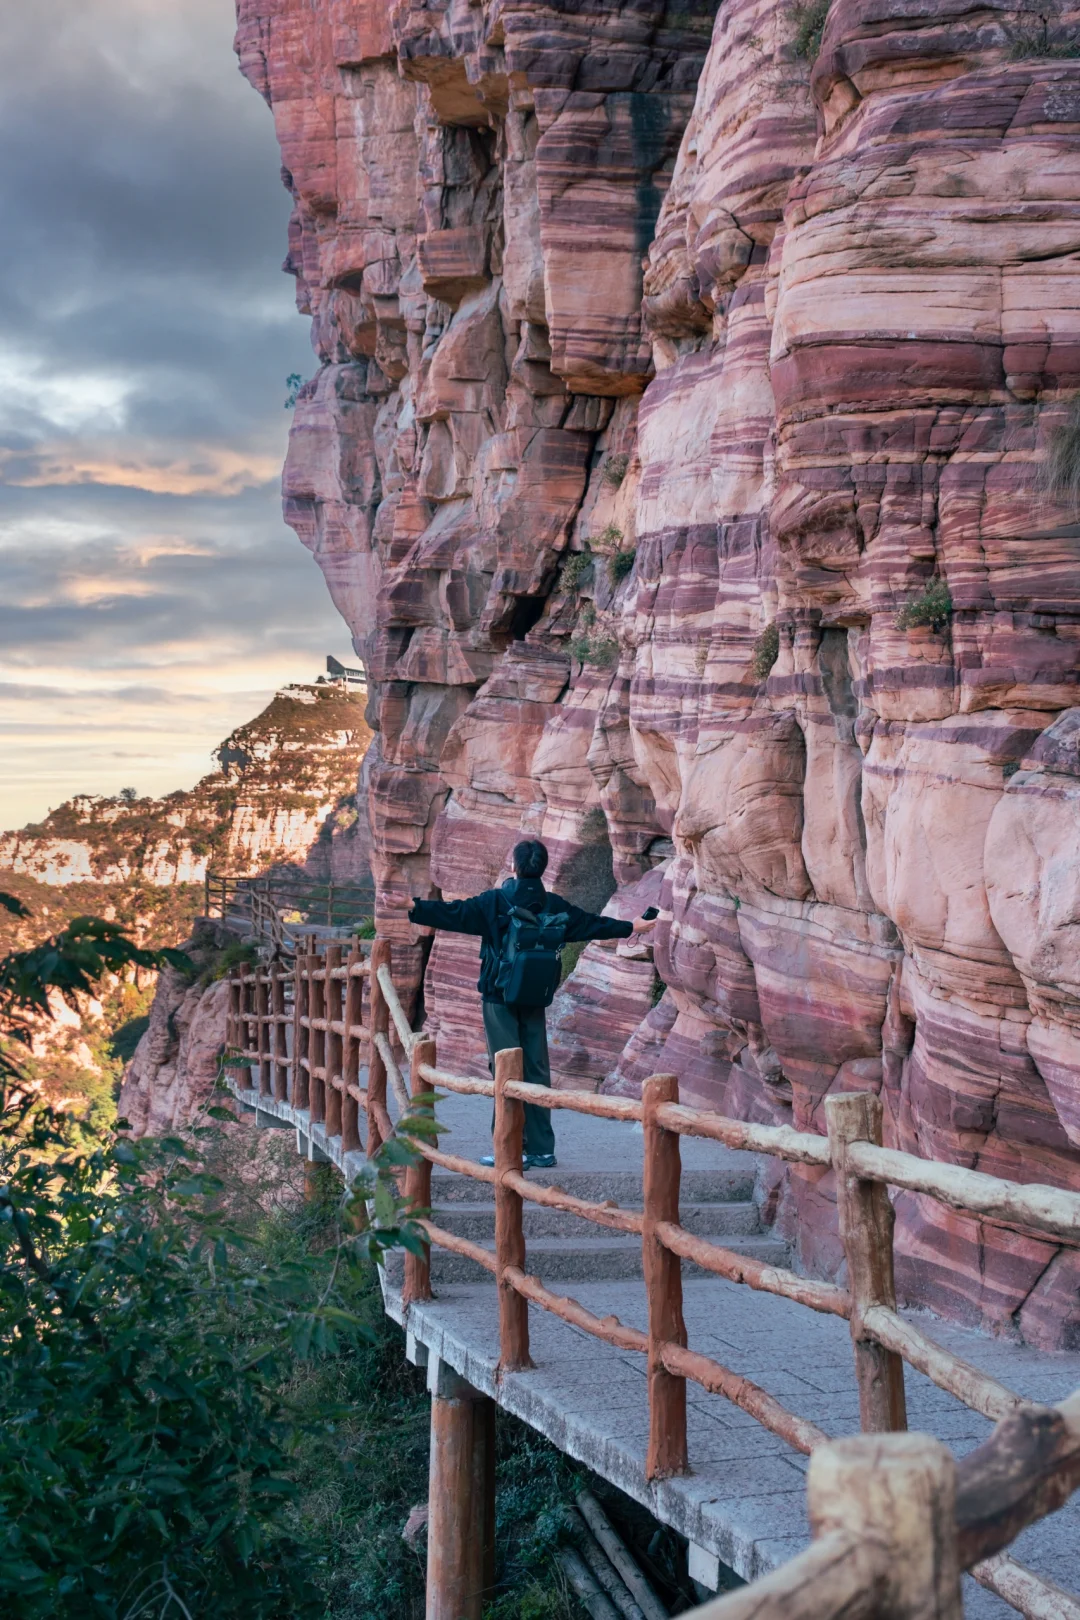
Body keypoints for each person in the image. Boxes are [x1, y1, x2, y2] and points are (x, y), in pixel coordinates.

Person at [408, 838, 656, 1169]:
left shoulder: (494, 902)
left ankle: (509, 1149)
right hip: (536, 997)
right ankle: (541, 1149)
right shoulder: (554, 905)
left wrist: (413, 907)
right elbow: (591, 924)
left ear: (514, 866)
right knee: (536, 1069)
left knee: (505, 1070)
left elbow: (454, 913)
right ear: (542, 868)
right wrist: (633, 926)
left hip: (499, 998)